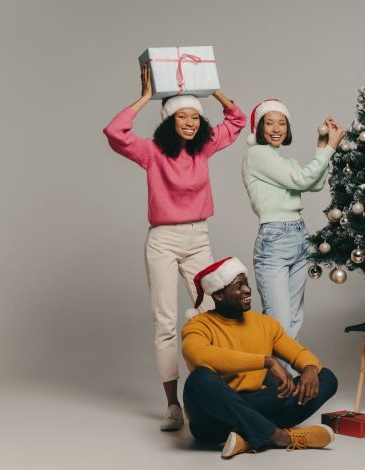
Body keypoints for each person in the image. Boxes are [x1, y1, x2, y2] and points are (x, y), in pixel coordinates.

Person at [103, 64, 246, 431]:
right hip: (163, 240)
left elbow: (237, 120)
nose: (190, 122)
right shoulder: (151, 152)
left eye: (195, 117)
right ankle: (173, 406)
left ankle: (227, 393)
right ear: (169, 121)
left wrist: (212, 90)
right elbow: (115, 132)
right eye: (182, 116)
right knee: (165, 322)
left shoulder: (204, 148)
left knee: (218, 312)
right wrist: (147, 97)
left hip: (199, 237)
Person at [182, 257, 338, 459]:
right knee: (198, 379)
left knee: (325, 377)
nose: (247, 290)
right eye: (239, 286)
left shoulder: (265, 324)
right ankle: (279, 436)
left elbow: (298, 353)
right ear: (219, 294)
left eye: (246, 283)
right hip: (214, 419)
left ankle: (248, 436)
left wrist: (309, 368)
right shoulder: (198, 325)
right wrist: (267, 361)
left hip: (257, 403)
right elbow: (199, 355)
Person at [241, 99, 344, 362]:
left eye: (282, 123)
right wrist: (331, 147)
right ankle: (276, 387)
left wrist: (322, 144)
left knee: (294, 319)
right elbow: (302, 179)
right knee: (279, 323)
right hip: (274, 239)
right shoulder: (258, 154)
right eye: (269, 123)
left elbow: (315, 182)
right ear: (259, 128)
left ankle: (292, 384)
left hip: (298, 235)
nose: (276, 129)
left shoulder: (281, 160)